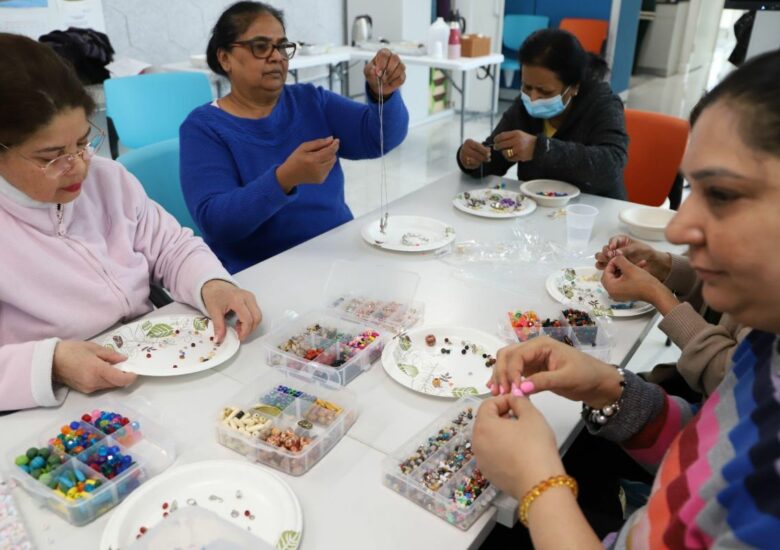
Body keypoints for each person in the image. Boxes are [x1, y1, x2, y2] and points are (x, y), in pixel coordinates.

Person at [473, 49, 780, 549]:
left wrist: (540, 488)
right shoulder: (764, 347)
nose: (678, 226)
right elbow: (704, 446)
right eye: (691, 189)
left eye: (721, 194)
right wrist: (610, 389)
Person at [0, 34, 262, 412]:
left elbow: (170, 245)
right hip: (56, 403)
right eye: (52, 156)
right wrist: (51, 364)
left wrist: (211, 282)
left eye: (82, 142)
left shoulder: (108, 179)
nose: (78, 165)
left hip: (148, 361)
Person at [180, 1, 409, 273]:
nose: (276, 56)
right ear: (225, 58)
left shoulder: (310, 101)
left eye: (281, 47)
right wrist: (284, 179)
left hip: (337, 254)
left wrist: (386, 94)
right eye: (261, 47)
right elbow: (217, 223)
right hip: (261, 273)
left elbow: (379, 137)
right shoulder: (204, 128)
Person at [457, 29, 628, 200]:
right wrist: (471, 159)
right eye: (526, 86)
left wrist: (540, 148)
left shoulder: (602, 103)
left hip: (592, 212)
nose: (533, 98)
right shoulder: (523, 108)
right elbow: (495, 158)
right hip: (537, 212)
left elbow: (611, 164)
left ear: (574, 87)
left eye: (544, 91)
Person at [596, 236, 749, 396]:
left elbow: (728, 381)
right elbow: (728, 288)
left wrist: (656, 293)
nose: (675, 228)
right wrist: (663, 266)